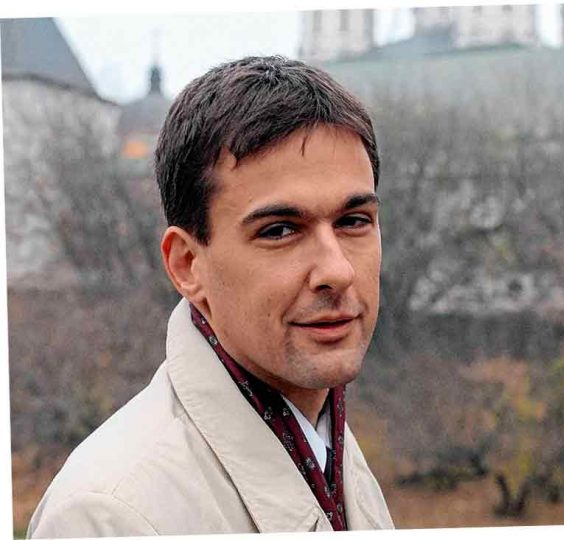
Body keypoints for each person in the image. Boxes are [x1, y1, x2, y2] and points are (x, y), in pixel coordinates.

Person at [28, 56, 393, 537]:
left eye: (353, 221)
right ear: (187, 265)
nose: (337, 271)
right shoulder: (108, 515)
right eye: (280, 230)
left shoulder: (324, 439)